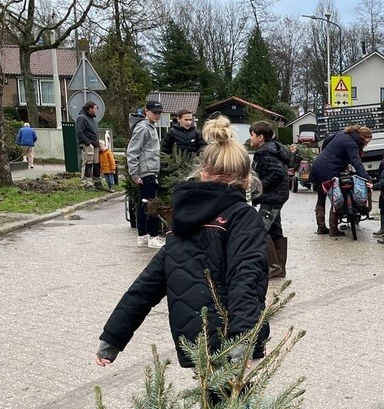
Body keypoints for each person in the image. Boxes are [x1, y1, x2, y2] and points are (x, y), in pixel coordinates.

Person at [95, 114, 269, 373]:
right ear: (245, 180)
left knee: (209, 407)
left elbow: (146, 286)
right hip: (231, 337)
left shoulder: (183, 220)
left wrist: (112, 339)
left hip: (192, 340)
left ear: (202, 174)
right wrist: (245, 342)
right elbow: (246, 277)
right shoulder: (244, 219)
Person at [308, 125, 372, 236]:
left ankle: (321, 227)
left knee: (321, 197)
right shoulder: (352, 145)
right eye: (366, 142)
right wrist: (367, 178)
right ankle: (333, 229)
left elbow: (326, 142)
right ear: (361, 138)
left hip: (318, 165)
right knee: (337, 197)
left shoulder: (342, 133)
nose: (366, 144)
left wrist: (327, 154)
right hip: (330, 170)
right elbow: (356, 162)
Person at [248, 120, 292, 279]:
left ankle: (273, 267)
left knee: (260, 229)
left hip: (272, 197)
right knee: (275, 229)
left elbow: (277, 173)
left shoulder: (266, 152)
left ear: (260, 137)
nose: (250, 139)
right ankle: (280, 267)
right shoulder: (272, 149)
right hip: (277, 196)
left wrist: (260, 186)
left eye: (251, 135)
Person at [127, 101, 166, 249]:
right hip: (146, 172)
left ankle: (142, 236)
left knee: (144, 204)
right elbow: (133, 151)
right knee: (151, 205)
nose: (157, 115)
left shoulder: (150, 127)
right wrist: (134, 173)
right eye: (154, 112)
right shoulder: (143, 128)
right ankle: (153, 237)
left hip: (149, 170)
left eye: (159, 113)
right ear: (146, 111)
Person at [76, 101, 105, 190]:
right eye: (95, 108)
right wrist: (87, 143)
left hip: (94, 144)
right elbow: (79, 132)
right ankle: (86, 183)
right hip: (88, 145)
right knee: (88, 163)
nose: (96, 110)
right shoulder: (82, 118)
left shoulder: (92, 119)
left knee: (96, 163)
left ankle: (96, 181)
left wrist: (98, 143)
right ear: (90, 109)